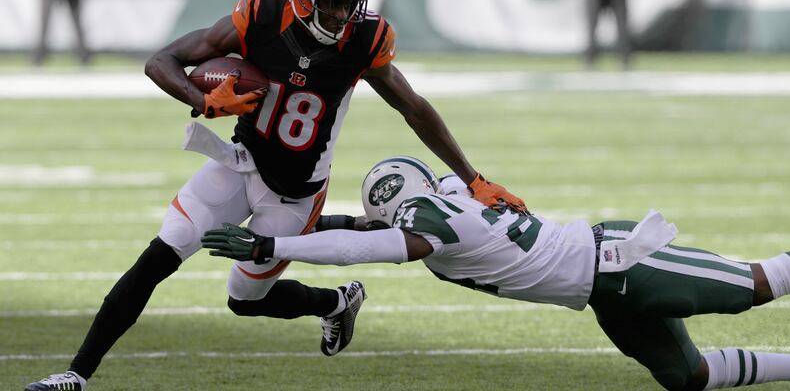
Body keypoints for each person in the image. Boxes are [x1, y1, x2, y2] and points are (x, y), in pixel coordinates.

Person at [24, 0, 527, 389]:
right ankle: (76, 375)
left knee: (244, 300)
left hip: (297, 192)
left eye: (348, 3)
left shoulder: (365, 39)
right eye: (330, 1)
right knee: (160, 255)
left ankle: (334, 303)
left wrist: (473, 179)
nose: (340, 14)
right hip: (241, 163)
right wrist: (202, 100)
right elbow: (162, 60)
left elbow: (412, 107)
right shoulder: (262, 14)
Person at [203, 155, 790, 391]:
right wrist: (291, 223)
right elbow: (360, 229)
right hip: (604, 292)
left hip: (622, 262)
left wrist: (270, 242)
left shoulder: (427, 224)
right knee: (688, 378)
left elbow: (360, 247)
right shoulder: (446, 198)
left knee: (759, 284)